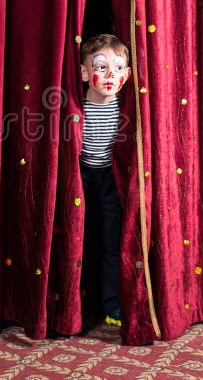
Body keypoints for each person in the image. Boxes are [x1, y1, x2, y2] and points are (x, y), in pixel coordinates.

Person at [78, 33, 131, 328]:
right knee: (81, 240)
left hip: (111, 180)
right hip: (82, 178)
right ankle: (81, 306)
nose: (111, 74)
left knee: (111, 242)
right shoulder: (77, 109)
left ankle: (112, 305)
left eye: (119, 67)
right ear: (85, 73)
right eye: (100, 67)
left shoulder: (127, 109)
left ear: (128, 74)